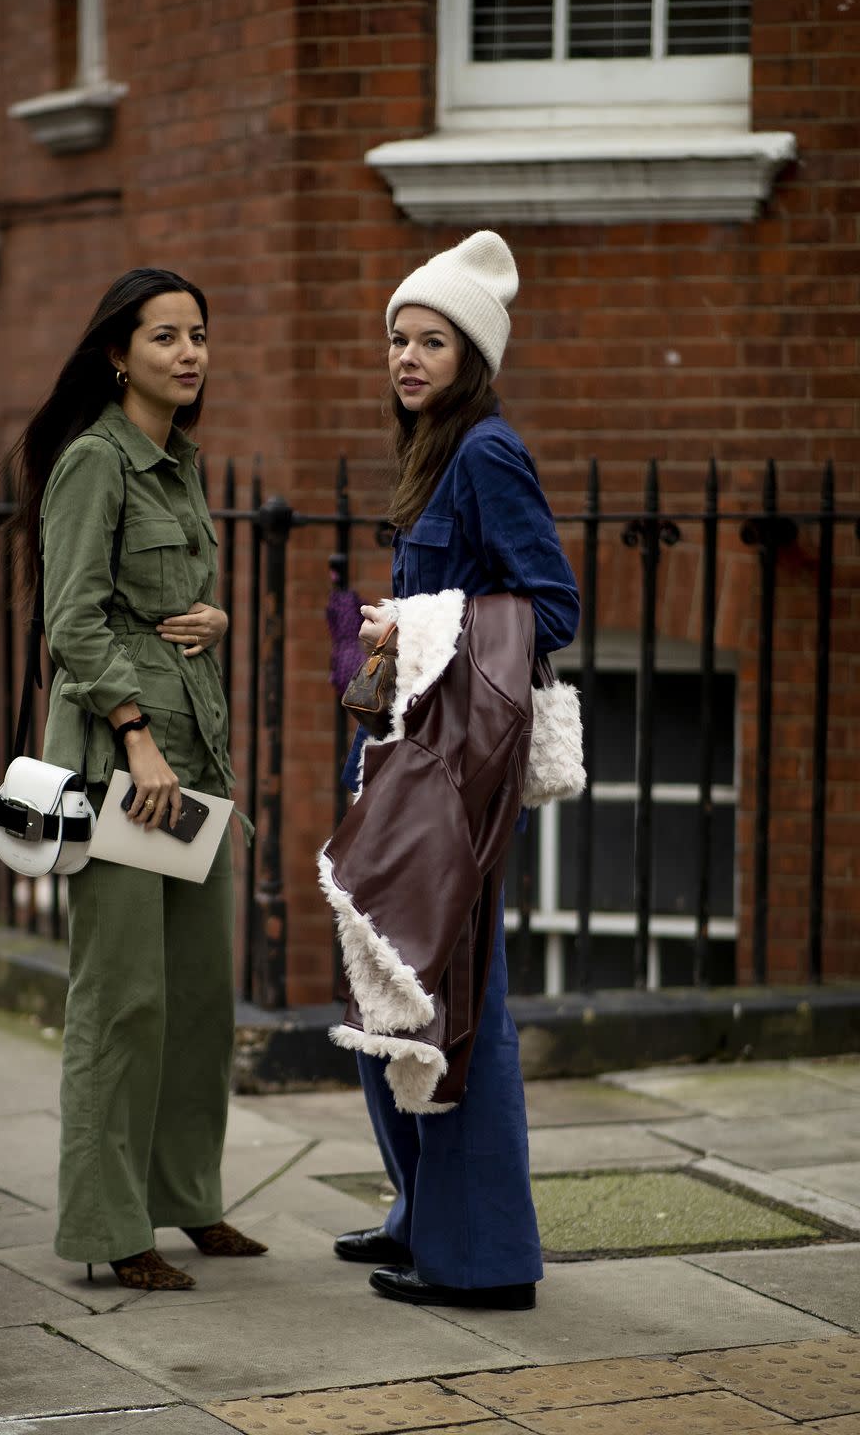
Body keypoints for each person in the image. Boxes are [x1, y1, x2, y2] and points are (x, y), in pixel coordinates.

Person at [328, 232, 580, 1310]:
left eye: (432, 339)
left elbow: (554, 605)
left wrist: (421, 619)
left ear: (471, 356)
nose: (408, 355)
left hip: (453, 773)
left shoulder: (486, 452)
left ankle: (481, 1262)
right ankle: (420, 1217)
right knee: (392, 984)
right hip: (402, 755)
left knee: (458, 998)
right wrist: (377, 636)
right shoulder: (434, 452)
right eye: (398, 337)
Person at [12, 268, 264, 1291]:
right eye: (166, 337)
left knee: (200, 998)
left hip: (193, 764)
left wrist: (220, 619)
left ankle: (188, 1200)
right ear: (121, 354)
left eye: (198, 334)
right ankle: (115, 1229)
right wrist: (136, 735)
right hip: (127, 770)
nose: (190, 352)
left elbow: (169, 607)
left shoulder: (178, 462)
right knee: (120, 1001)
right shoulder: (93, 463)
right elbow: (71, 620)